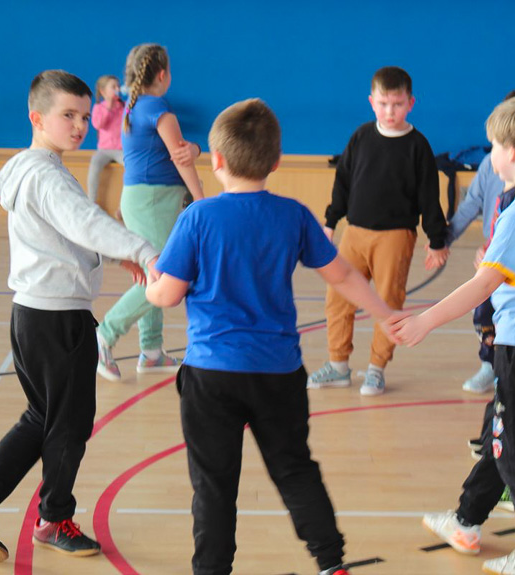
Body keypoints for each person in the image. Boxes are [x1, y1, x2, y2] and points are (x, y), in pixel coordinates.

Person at [146, 99, 396, 575]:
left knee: (214, 486)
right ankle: (331, 562)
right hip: (278, 374)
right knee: (295, 469)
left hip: (212, 376)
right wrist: (385, 313)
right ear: (276, 162)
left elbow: (168, 295)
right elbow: (341, 274)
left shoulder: (198, 218)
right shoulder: (293, 215)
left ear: (215, 161)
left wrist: (153, 280)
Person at [0, 70, 160, 562]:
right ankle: (51, 517)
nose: (80, 125)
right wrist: (142, 250)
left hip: (32, 315)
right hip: (57, 321)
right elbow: (83, 221)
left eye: (85, 116)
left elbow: (63, 233)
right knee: (68, 424)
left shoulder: (30, 169)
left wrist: (112, 254)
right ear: (36, 117)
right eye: (68, 115)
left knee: (46, 418)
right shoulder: (46, 174)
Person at [389, 96, 515, 575]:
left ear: (511, 151)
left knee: (514, 444)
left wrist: (424, 321)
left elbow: (484, 285)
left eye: (493, 145)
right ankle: (467, 520)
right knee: (508, 433)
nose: (489, 154)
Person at [305, 66, 449, 396]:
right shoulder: (360, 137)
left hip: (396, 237)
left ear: (410, 103)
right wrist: (330, 222)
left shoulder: (418, 146)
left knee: (388, 302)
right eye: (383, 104)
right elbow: (342, 182)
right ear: (372, 102)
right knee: (338, 297)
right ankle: (338, 365)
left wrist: (437, 240)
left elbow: (430, 197)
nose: (390, 111)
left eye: (397, 104)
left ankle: (376, 368)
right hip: (354, 233)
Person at [96, 43, 205, 381]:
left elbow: (184, 151)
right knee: (165, 273)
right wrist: (201, 201)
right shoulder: (159, 108)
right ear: (162, 74)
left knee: (152, 270)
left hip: (145, 199)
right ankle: (104, 336)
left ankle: (152, 350)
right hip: (154, 201)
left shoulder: (134, 107)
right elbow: (180, 158)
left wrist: (195, 149)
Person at [447, 89, 515, 395]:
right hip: (493, 253)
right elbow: (472, 203)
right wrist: (444, 239)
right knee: (484, 312)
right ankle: (490, 364)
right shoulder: (489, 165)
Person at [86, 74, 125, 204]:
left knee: (132, 167)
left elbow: (131, 119)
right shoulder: (99, 108)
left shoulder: (123, 107)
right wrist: (108, 106)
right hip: (104, 150)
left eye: (118, 86)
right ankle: (91, 201)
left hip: (120, 150)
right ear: (103, 92)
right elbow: (98, 124)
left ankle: (123, 205)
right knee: (94, 165)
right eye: (113, 87)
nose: (117, 89)